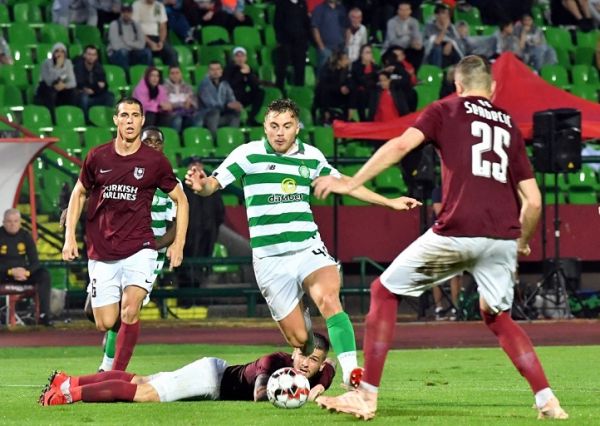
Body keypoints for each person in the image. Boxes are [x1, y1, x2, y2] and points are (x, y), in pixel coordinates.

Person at [312, 55, 569, 420]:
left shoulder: (445, 109)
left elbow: (401, 145)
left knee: (383, 292)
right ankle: (548, 401)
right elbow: (534, 201)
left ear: (458, 86)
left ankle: (366, 396)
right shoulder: (509, 124)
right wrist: (522, 241)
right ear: (492, 90)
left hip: (459, 229)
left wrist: (350, 182)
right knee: (498, 317)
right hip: (500, 236)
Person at [185, 98, 421, 387]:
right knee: (298, 339)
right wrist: (201, 185)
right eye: (274, 126)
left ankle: (351, 373)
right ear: (265, 126)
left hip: (307, 247)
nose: (280, 132)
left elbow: (344, 182)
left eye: (286, 126)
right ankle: (305, 325)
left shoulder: (310, 157)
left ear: (297, 127)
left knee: (329, 299)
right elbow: (212, 184)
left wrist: (388, 202)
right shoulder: (248, 154)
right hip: (270, 259)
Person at [62, 97, 189, 372]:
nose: (130, 120)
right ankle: (114, 348)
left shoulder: (156, 163)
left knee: (130, 308)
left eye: (135, 115)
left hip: (141, 248)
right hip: (103, 249)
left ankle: (113, 373)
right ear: (116, 120)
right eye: (125, 115)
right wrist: (69, 236)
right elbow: (80, 193)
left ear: (142, 119)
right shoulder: (97, 156)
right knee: (105, 320)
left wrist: (178, 244)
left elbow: (182, 200)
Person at [40, 333, 335, 405]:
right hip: (211, 381)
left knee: (143, 379)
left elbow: (329, 369)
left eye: (314, 360)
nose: (306, 363)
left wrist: (321, 383)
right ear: (294, 350)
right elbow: (261, 394)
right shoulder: (275, 362)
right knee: (143, 393)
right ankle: (66, 394)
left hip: (214, 372)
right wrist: (301, 395)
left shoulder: (315, 371)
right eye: (304, 355)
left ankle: (67, 380)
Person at [93, 126, 178, 372]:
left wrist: (151, 245)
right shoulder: (123, 172)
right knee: (97, 314)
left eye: (157, 141)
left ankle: (109, 370)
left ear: (163, 146)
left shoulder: (169, 181)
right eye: (147, 140)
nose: (152, 144)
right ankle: (113, 337)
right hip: (113, 251)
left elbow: (174, 225)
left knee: (127, 311)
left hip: (147, 256)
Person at [179, 157, 225, 291]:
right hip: (188, 235)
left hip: (208, 232)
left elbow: (219, 212)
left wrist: (213, 228)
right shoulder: (181, 188)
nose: (196, 168)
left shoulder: (211, 188)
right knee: (186, 268)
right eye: (193, 165)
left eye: (199, 165)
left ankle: (200, 295)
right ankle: (186, 297)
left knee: (203, 265)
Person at [0, 209, 52, 326]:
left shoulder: (25, 236)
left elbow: (35, 262)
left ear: (20, 222)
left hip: (23, 275)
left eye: (15, 221)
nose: (12, 224)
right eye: (9, 221)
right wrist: (10, 271)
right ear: (3, 222)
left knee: (44, 274)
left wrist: (27, 273)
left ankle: (44, 316)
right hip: (4, 274)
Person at [197, 61, 242, 138]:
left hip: (222, 114)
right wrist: (227, 105)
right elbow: (210, 104)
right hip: (207, 116)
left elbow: (231, 98)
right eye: (212, 70)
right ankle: (214, 140)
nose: (215, 72)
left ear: (221, 71)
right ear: (208, 71)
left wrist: (235, 104)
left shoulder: (225, 84)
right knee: (215, 113)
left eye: (218, 69)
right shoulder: (204, 85)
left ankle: (232, 138)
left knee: (235, 115)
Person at [223, 47, 264, 126]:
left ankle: (251, 118)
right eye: (237, 56)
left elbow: (255, 86)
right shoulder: (228, 69)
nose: (240, 58)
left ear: (245, 58)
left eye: (242, 56)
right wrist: (241, 74)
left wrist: (249, 74)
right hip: (230, 98)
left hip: (241, 97)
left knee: (260, 93)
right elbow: (229, 85)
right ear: (234, 58)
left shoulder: (247, 69)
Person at [274, 0, 311, 88]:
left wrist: (306, 38)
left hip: (300, 41)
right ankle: (280, 89)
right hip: (286, 41)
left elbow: (306, 22)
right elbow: (277, 23)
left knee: (300, 67)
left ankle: (299, 90)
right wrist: (280, 40)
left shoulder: (302, 3)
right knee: (282, 68)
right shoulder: (281, 3)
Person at [34, 43, 79, 116]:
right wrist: (58, 67)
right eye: (57, 51)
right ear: (53, 53)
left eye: (62, 52)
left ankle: (69, 115)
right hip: (45, 89)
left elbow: (73, 82)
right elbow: (49, 81)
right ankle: (52, 117)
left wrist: (64, 85)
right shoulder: (46, 63)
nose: (59, 54)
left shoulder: (68, 63)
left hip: (62, 88)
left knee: (73, 93)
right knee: (51, 92)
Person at [131, 0, 179, 67]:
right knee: (147, 54)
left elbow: (163, 26)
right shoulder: (136, 5)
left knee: (172, 53)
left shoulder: (159, 6)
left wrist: (161, 41)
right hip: (142, 39)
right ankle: (153, 76)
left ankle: (173, 76)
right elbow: (136, 28)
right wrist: (150, 43)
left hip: (157, 38)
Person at [107, 4, 153, 71]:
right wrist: (133, 45)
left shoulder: (136, 25)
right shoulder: (114, 24)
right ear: (121, 13)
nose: (126, 14)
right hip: (116, 55)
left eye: (128, 12)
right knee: (123, 52)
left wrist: (128, 42)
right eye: (124, 12)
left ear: (132, 13)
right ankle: (127, 79)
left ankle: (147, 77)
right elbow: (116, 46)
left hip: (131, 53)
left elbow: (142, 44)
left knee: (147, 52)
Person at [73, 45, 115, 116]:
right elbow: (80, 84)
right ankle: (86, 121)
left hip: (96, 94)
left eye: (94, 55)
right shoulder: (78, 67)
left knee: (109, 96)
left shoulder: (99, 68)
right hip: (83, 95)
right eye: (89, 54)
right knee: (84, 98)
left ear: (96, 57)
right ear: (84, 55)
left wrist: (94, 89)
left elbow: (104, 85)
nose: (91, 57)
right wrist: (95, 86)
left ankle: (106, 119)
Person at [383, 1, 423, 69]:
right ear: (398, 11)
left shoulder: (414, 22)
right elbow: (392, 41)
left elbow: (417, 36)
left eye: (406, 10)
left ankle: (414, 73)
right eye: (401, 10)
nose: (404, 12)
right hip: (392, 48)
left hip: (408, 48)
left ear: (410, 11)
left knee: (419, 49)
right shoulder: (392, 22)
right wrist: (410, 42)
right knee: (398, 52)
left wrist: (417, 43)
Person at [311, 0, 349, 69]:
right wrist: (322, 48)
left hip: (341, 49)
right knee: (323, 76)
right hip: (326, 49)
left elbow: (347, 27)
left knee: (342, 75)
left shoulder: (342, 9)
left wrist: (346, 45)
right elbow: (315, 29)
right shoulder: (319, 9)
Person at [423, 4, 464, 68]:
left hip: (447, 53)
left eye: (448, 14)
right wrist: (445, 27)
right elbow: (436, 42)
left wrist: (450, 43)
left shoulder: (451, 27)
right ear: (437, 15)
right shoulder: (430, 26)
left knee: (456, 48)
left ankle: (459, 71)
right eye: (444, 14)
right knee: (437, 48)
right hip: (432, 55)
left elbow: (456, 40)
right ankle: (437, 72)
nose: (447, 16)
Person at [163, 65, 201, 133]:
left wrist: (190, 103)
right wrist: (182, 104)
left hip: (187, 113)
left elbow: (194, 101)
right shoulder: (164, 88)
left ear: (181, 74)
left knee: (198, 119)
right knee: (178, 120)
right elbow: (167, 104)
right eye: (172, 73)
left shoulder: (187, 87)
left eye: (177, 73)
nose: (175, 75)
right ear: (169, 75)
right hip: (171, 115)